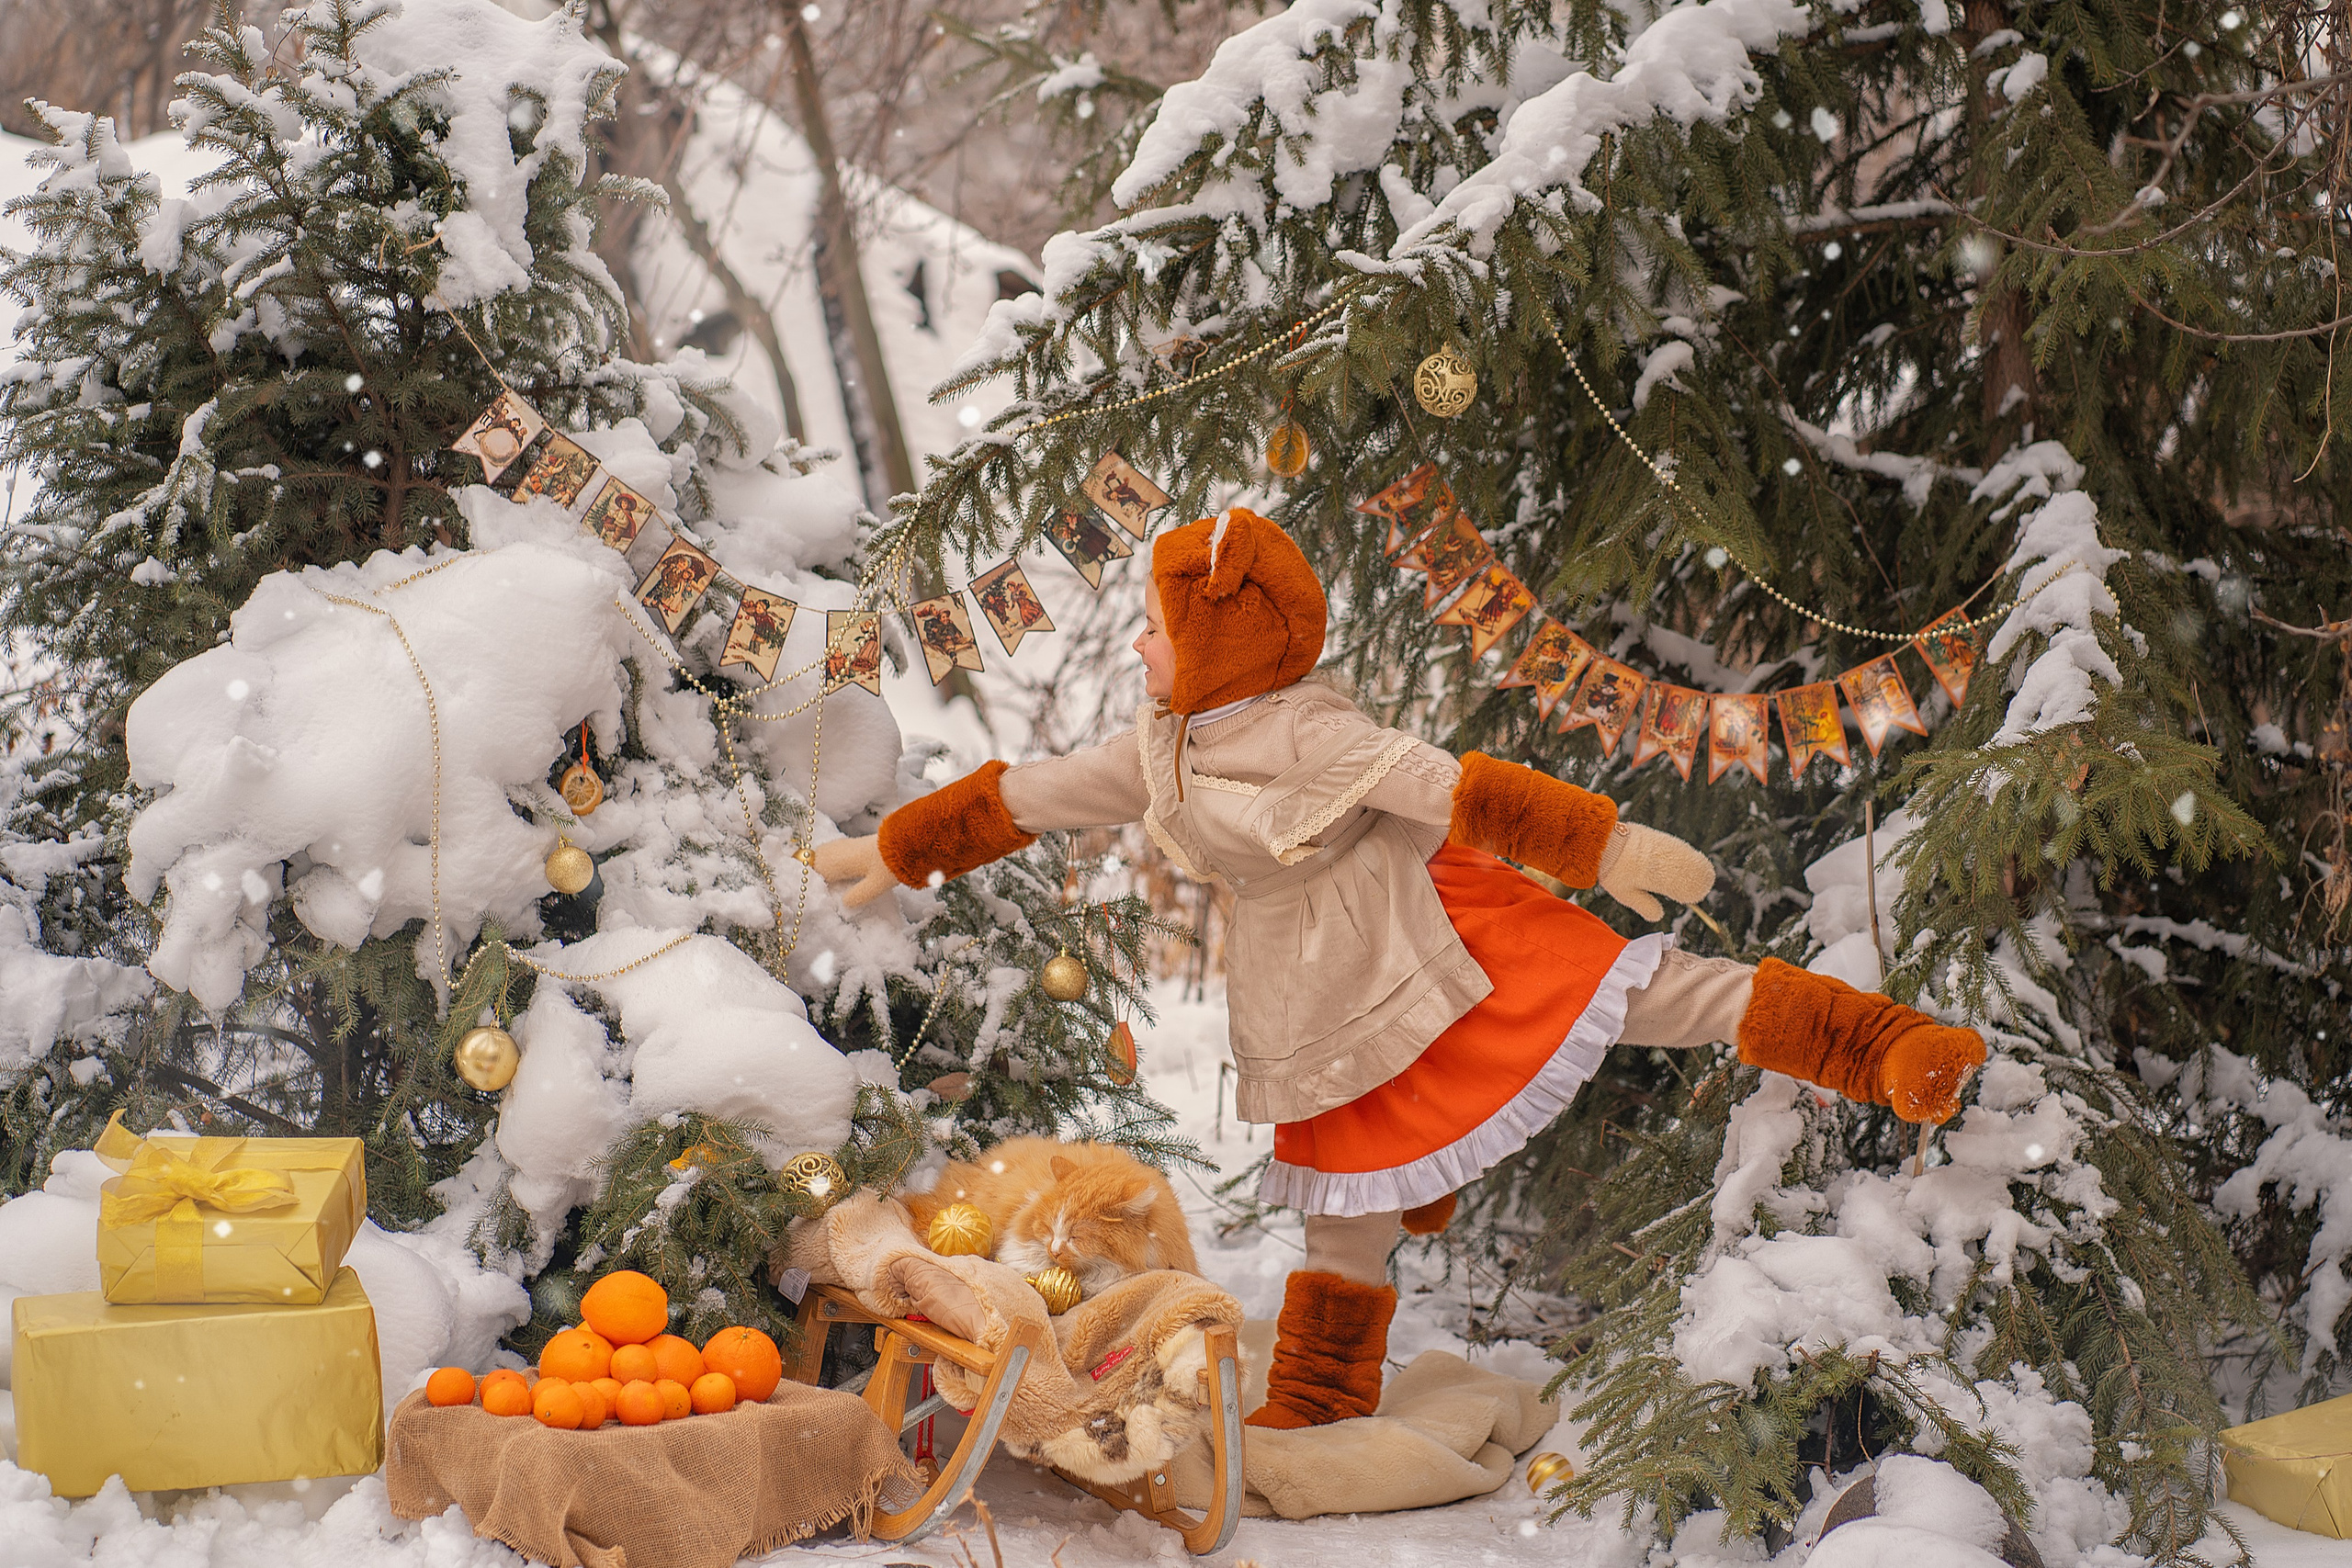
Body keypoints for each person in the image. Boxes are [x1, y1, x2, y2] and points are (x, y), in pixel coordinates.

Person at [815, 509, 1984, 1431]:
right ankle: (1321, 1400)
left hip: (1425, 920)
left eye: (1159, 632)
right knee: (1346, 1210)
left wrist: (1605, 845)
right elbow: (1035, 793)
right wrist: (895, 846)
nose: (1137, 648)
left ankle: (1883, 1047)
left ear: (1220, 643)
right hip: (1307, 985)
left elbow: (1448, 785)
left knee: (1663, 997)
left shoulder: (1315, 731)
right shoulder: (1160, 746)